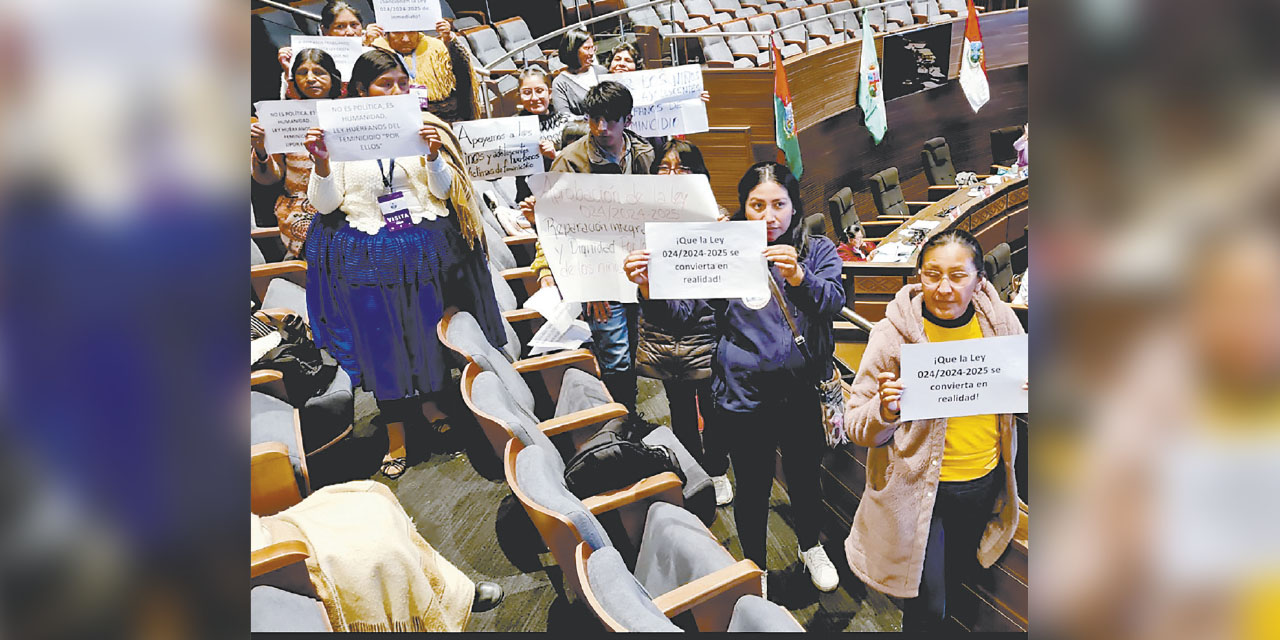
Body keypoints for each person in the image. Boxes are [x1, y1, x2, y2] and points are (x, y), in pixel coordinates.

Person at [623, 161, 844, 596]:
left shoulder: (816, 250)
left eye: (779, 204)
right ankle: (754, 566)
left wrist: (800, 276)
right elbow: (683, 316)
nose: (769, 215)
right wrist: (649, 287)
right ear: (743, 208)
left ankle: (809, 547)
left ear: (794, 207)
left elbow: (833, 301)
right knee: (753, 486)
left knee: (804, 477)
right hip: (743, 397)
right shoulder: (725, 250)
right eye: (756, 205)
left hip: (800, 394)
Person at [302, 49, 505, 480]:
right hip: (366, 251)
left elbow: (444, 193)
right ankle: (396, 428)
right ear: (361, 90)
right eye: (384, 84)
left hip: (420, 248)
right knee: (380, 342)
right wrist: (321, 161)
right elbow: (324, 203)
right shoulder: (338, 134)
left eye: (400, 81)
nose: (395, 91)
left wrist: (433, 157)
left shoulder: (424, 126)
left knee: (425, 331)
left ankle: (431, 403)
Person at [842, 228, 1024, 632]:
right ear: (918, 277)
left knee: (959, 586)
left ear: (979, 280)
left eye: (958, 276)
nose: (943, 288)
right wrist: (885, 410)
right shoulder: (892, 335)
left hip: (983, 483)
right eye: (931, 274)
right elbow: (855, 424)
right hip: (921, 491)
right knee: (928, 607)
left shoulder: (1001, 323)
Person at [522, 81, 654, 411]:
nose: (601, 128)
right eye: (594, 119)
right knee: (615, 354)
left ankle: (629, 406)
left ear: (628, 120)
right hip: (599, 275)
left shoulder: (645, 154)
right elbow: (557, 232)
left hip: (639, 265)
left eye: (610, 120)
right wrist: (585, 284)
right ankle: (623, 418)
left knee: (636, 346)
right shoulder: (569, 163)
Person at [252, 480, 504, 631]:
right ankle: (431, 615)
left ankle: (447, 597)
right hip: (269, 561)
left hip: (262, 530)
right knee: (379, 547)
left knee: (370, 495)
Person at [634, 140, 733, 506]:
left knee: (714, 409)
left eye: (683, 168)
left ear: (700, 175)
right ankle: (693, 472)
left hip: (707, 332)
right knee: (679, 410)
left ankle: (718, 470)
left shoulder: (717, 217)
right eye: (665, 168)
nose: (673, 175)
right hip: (665, 334)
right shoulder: (644, 225)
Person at [252, 49, 344, 258]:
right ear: (294, 80)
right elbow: (270, 178)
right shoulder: (281, 117)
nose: (310, 79)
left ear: (333, 77)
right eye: (302, 73)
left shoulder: (349, 113)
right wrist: (260, 149)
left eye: (319, 72)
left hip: (349, 206)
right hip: (301, 215)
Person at [371, 20, 481, 124]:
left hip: (446, 117)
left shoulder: (436, 47)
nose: (405, 39)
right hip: (400, 120)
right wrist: (364, 43)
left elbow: (463, 76)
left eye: (411, 32)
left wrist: (449, 39)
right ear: (387, 34)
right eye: (397, 32)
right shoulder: (375, 51)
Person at [276, 1, 384, 99]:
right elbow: (293, 103)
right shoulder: (309, 59)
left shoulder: (372, 53)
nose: (350, 32)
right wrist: (289, 72)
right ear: (325, 30)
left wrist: (370, 49)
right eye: (340, 26)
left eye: (354, 25)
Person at [513, 67, 581, 203]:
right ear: (519, 96)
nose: (534, 98)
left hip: (566, 197)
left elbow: (581, 160)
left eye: (539, 91)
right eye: (527, 92)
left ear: (549, 93)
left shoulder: (567, 122)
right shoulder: (512, 128)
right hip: (528, 200)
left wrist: (555, 155)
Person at [550, 29, 607, 117]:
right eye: (587, 48)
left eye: (593, 48)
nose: (592, 53)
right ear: (573, 50)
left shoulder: (602, 71)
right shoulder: (560, 83)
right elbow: (564, 117)